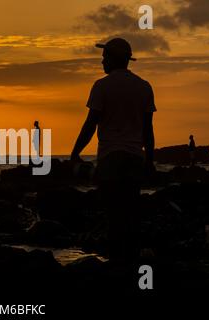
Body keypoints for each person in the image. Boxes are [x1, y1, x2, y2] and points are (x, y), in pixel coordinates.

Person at [70, 38, 156, 263]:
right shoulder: (144, 87)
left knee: (113, 213)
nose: (102, 61)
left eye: (104, 57)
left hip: (110, 158)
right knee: (130, 212)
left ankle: (117, 263)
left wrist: (75, 152)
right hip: (136, 157)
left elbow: (91, 123)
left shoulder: (102, 86)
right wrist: (150, 161)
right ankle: (131, 260)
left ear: (113, 59)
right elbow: (148, 130)